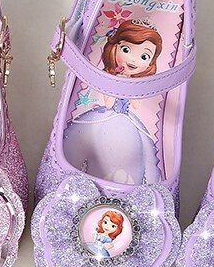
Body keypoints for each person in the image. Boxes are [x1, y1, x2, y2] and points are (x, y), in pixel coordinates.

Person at [64, 19, 163, 185]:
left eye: (144, 56)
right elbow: (109, 103)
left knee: (137, 146)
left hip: (126, 120)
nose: (133, 60)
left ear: (150, 62)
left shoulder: (135, 81)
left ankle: (126, 176)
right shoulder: (113, 75)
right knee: (89, 137)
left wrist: (132, 91)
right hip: (108, 116)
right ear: (114, 47)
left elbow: (136, 105)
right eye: (126, 49)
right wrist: (116, 86)